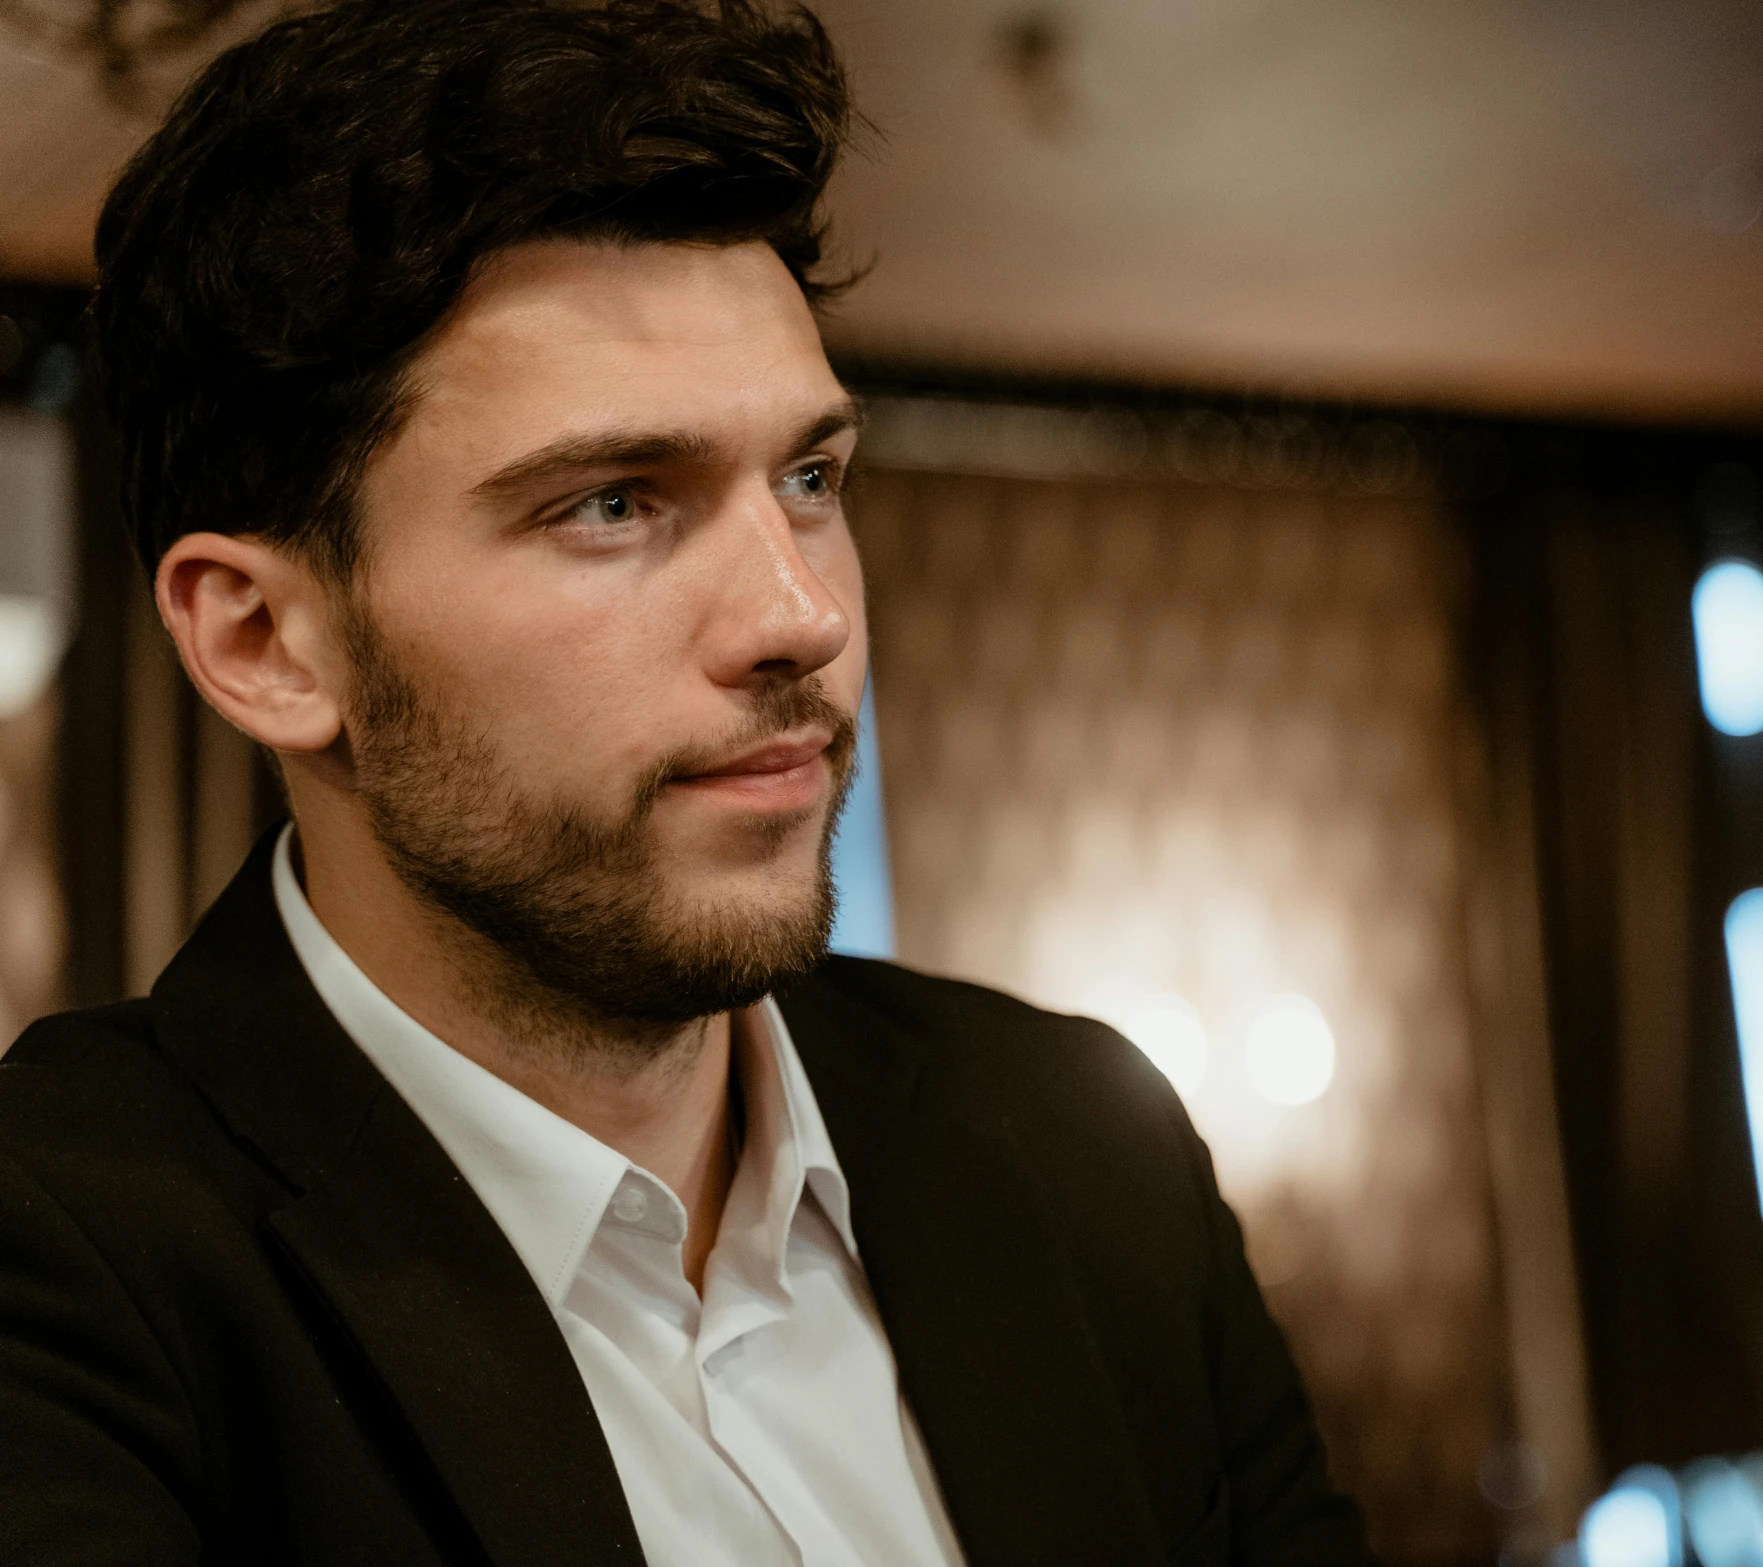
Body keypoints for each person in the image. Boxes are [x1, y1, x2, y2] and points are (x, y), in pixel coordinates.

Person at [0, 2, 1373, 1562]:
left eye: (808, 479)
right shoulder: (61, 1259)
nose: (802, 615)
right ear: (264, 641)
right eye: (610, 503)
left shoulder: (1078, 1142)